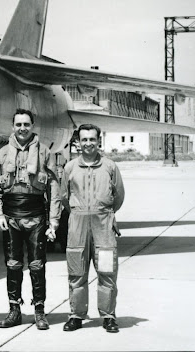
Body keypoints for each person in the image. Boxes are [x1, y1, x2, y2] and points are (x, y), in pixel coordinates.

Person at [0, 108, 61, 330]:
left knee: (37, 265)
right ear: (13, 127)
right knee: (13, 264)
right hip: (11, 216)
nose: (22, 129)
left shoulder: (44, 153)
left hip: (36, 216)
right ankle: (14, 310)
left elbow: (54, 187)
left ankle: (39, 311)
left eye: (26, 125)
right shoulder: (2, 153)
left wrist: (54, 221)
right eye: (19, 125)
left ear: (32, 126)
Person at [59, 124, 125, 333]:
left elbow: (119, 195)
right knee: (76, 272)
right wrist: (78, 211)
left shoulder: (110, 167)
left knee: (107, 271)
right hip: (77, 224)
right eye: (84, 139)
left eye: (92, 139)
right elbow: (63, 196)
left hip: (103, 224)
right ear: (78, 142)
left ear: (99, 141)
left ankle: (108, 316)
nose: (88, 143)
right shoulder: (70, 168)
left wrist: (105, 212)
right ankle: (76, 315)